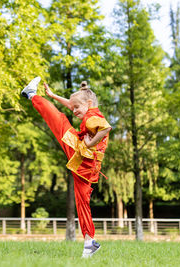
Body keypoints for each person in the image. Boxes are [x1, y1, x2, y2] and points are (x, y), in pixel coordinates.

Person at [21, 77, 112, 258]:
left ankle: (31, 94)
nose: (74, 111)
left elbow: (106, 129)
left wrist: (89, 144)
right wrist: (54, 96)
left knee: (60, 121)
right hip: (89, 166)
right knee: (83, 203)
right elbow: (73, 105)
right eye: (74, 108)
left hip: (83, 155)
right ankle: (89, 242)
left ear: (88, 103)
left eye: (77, 108)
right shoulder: (90, 111)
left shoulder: (93, 116)